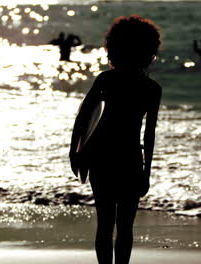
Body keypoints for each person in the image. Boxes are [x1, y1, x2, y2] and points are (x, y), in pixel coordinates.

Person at [69, 15, 161, 264]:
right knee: (124, 227)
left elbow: (83, 117)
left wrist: (75, 152)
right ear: (149, 51)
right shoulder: (151, 88)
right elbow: (148, 135)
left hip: (102, 157)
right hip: (131, 159)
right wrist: (147, 172)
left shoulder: (107, 79)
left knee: (105, 224)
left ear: (115, 48)